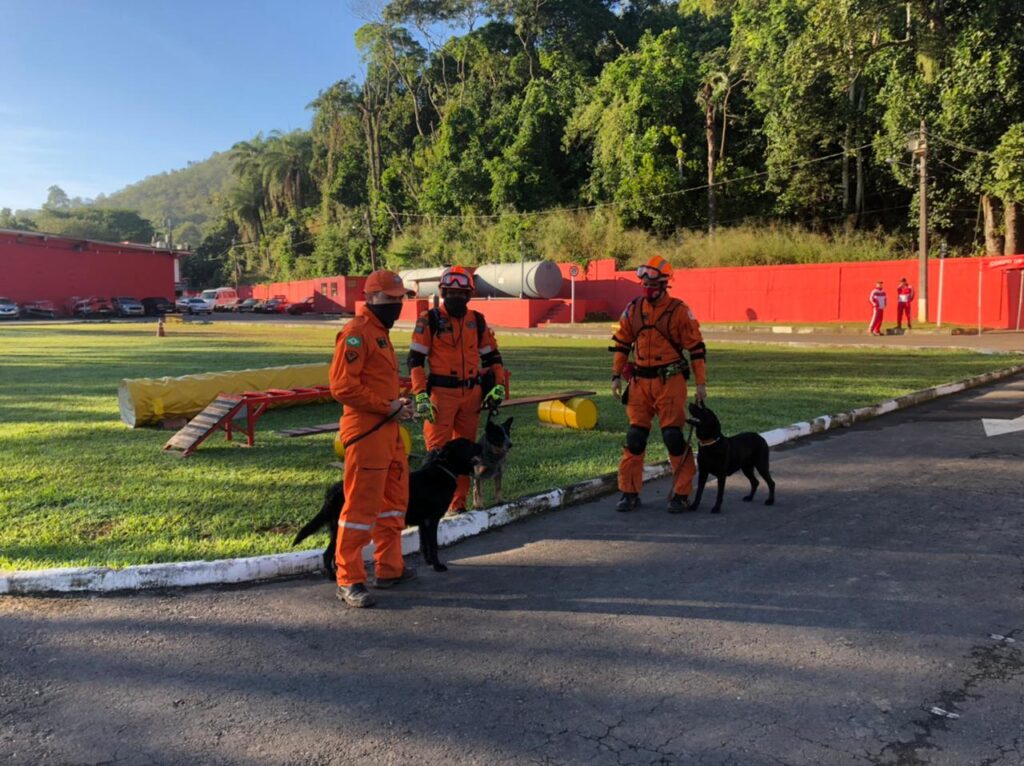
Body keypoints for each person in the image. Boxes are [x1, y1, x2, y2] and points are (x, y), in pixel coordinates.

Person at [329, 269, 417, 609]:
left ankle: (390, 568)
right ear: (372, 298)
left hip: (389, 429)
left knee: (394, 503)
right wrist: (386, 406)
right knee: (360, 508)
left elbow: (377, 381)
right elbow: (342, 387)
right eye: (391, 299)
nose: (397, 305)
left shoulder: (380, 333)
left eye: (400, 299)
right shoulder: (356, 333)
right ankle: (348, 579)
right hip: (367, 432)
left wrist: (398, 404)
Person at [609, 255, 708, 514]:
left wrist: (701, 384)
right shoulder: (633, 309)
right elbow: (621, 344)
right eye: (644, 285)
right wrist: (616, 375)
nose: (648, 290)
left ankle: (682, 493)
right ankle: (629, 492)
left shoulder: (678, 311)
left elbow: (696, 349)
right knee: (635, 437)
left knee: (673, 437)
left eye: (652, 286)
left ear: (665, 284)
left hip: (670, 381)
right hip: (640, 382)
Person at [408, 266, 505, 513]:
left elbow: (492, 358)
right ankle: (430, 506)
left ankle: (457, 504)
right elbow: (415, 361)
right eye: (450, 292)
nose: (456, 297)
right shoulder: (428, 320)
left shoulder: (477, 321)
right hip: (440, 395)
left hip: (470, 396)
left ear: (469, 295)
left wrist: (497, 387)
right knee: (437, 454)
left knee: (467, 454)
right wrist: (420, 394)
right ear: (442, 292)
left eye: (461, 293)